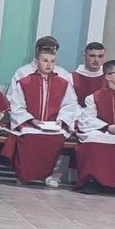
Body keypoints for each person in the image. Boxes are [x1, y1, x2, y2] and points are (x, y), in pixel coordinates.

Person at [6, 48, 80, 186]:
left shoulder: (63, 83)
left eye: (52, 61)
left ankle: (49, 176)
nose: (49, 64)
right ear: (37, 62)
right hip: (30, 124)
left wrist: (61, 120)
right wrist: (31, 120)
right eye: (45, 60)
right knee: (29, 138)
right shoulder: (25, 82)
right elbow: (17, 106)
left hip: (54, 125)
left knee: (56, 139)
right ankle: (25, 175)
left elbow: (70, 105)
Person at [74, 60, 115, 193]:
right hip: (105, 132)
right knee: (93, 138)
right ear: (108, 76)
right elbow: (86, 120)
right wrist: (108, 127)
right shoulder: (94, 97)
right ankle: (93, 181)